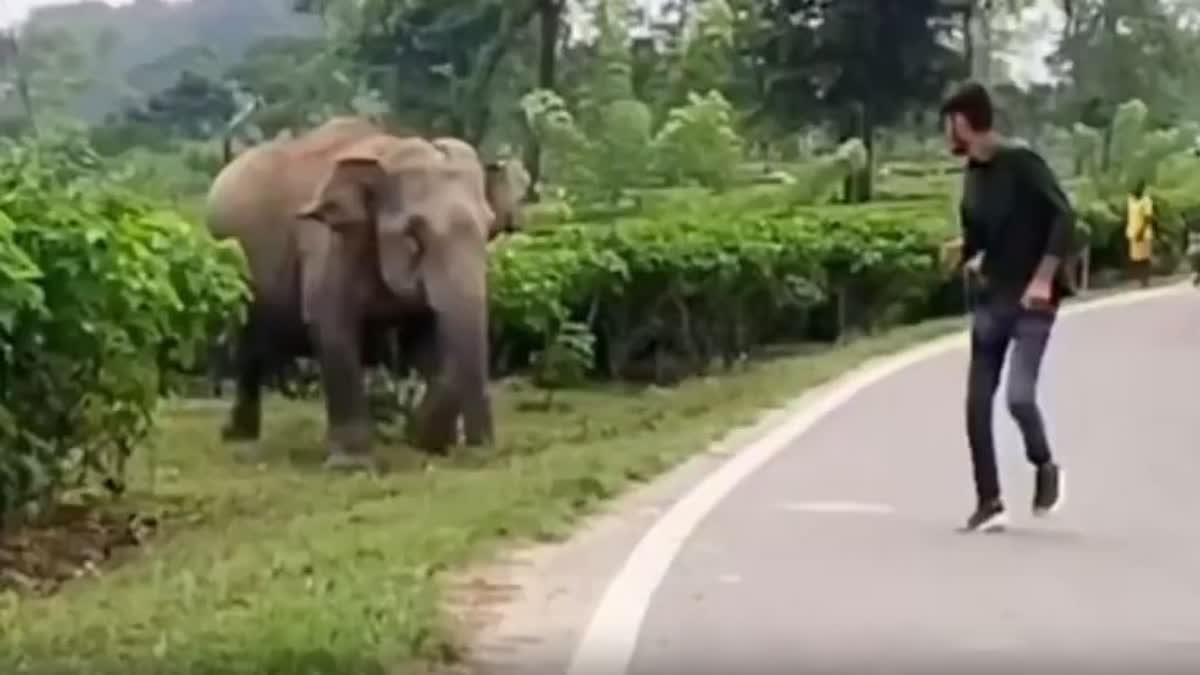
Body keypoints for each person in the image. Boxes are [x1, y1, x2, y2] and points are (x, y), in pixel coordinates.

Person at [940, 81, 1071, 533]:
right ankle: (988, 500)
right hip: (993, 298)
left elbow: (1063, 216)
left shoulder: (1022, 163)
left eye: (949, 126)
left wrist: (1043, 276)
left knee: (1018, 397)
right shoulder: (973, 175)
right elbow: (979, 232)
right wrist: (964, 248)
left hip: (1033, 299)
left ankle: (1045, 464)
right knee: (976, 403)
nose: (947, 137)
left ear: (963, 123)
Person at [1125, 180, 1154, 288]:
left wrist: (1141, 232)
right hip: (1132, 233)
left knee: (1144, 258)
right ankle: (1140, 279)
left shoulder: (1146, 201)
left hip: (1144, 233)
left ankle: (1145, 280)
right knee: (1136, 258)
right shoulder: (1130, 200)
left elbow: (1148, 218)